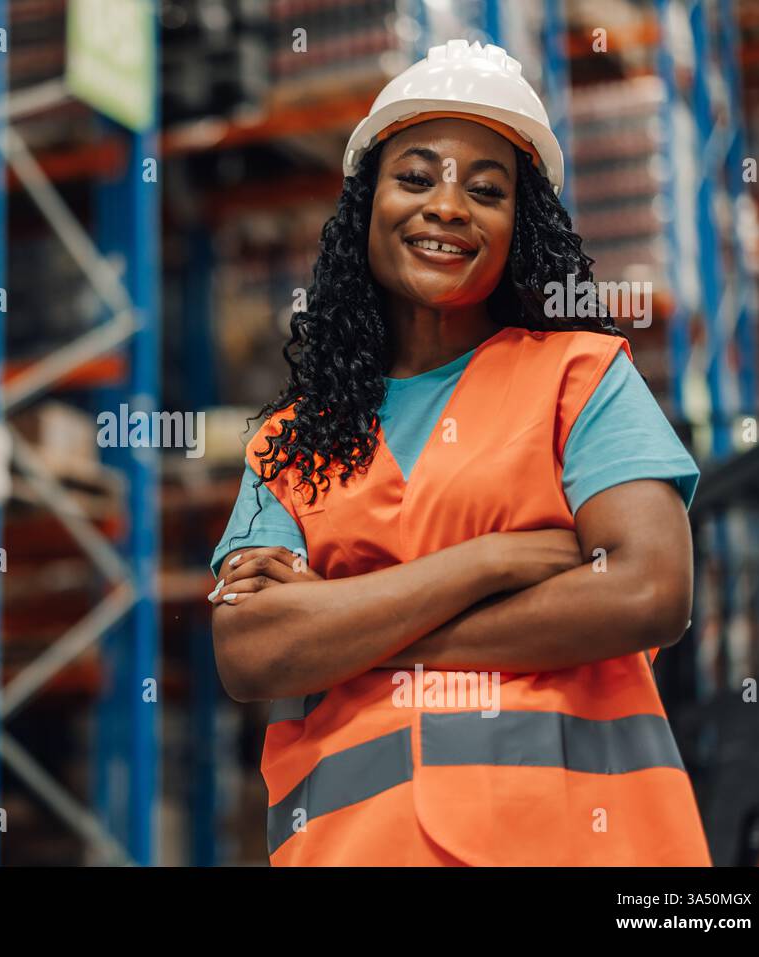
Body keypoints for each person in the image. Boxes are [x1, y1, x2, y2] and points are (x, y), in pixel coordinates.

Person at [207, 39, 712, 866]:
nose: (448, 206)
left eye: (487, 190)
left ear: (520, 228)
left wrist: (349, 627)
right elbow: (252, 649)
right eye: (415, 177)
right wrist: (494, 560)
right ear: (366, 207)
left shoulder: (579, 378)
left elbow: (650, 588)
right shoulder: (287, 444)